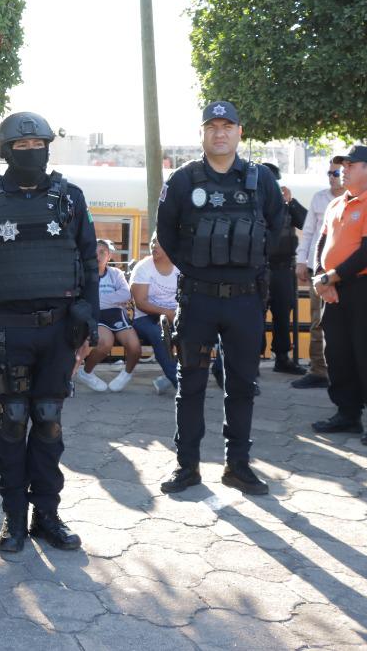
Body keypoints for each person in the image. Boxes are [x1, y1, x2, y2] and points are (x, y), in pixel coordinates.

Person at [0, 112, 97, 552]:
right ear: (5, 151)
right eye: (21, 146)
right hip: (7, 329)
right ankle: (13, 519)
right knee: (13, 422)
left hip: (60, 331)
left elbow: (89, 263)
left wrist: (90, 325)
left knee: (48, 423)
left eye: (39, 145)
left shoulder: (70, 197)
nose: (31, 152)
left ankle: (46, 514)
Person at [156, 101, 285, 496]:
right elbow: (167, 234)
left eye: (228, 126)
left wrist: (243, 267)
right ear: (202, 133)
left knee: (243, 385)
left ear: (239, 132)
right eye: (212, 126)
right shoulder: (182, 180)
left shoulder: (260, 180)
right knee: (190, 383)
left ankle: (238, 466)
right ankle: (188, 466)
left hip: (246, 301)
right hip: (198, 300)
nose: (220, 133)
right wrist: (201, 268)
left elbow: (276, 231)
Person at [308, 145, 367, 444]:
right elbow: (322, 243)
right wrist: (321, 278)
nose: (343, 170)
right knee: (337, 353)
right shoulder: (337, 203)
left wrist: (330, 276)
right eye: (341, 166)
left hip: (364, 289)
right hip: (333, 287)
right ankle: (348, 413)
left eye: (351, 165)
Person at [292, 158, 345, 390]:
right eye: (330, 173)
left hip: (348, 271)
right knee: (317, 321)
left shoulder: (356, 199)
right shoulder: (319, 198)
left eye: (337, 173)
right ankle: (318, 370)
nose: (332, 177)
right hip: (318, 268)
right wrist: (301, 261)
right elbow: (309, 232)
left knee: (347, 323)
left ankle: (345, 370)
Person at [262, 163, 308, 375]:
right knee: (255, 315)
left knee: (283, 314)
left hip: (283, 268)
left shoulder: (285, 204)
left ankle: (282, 357)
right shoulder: (251, 203)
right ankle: (253, 360)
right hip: (259, 268)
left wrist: (291, 202)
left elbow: (307, 223)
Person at [77, 240, 140, 392]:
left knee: (135, 347)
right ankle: (86, 372)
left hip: (116, 314)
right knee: (105, 343)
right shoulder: (84, 275)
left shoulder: (115, 273)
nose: (98, 256)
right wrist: (113, 299)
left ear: (109, 255)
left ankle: (126, 374)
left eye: (102, 252)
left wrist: (97, 300)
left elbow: (126, 294)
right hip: (97, 316)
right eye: (94, 252)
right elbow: (83, 299)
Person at [130, 234, 180, 395]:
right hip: (146, 316)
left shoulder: (181, 266)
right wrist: (167, 314)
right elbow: (141, 303)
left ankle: (172, 377)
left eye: (158, 242)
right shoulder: (143, 267)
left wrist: (175, 314)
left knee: (194, 336)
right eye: (152, 242)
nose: (153, 245)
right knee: (160, 336)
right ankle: (180, 384)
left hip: (175, 314)